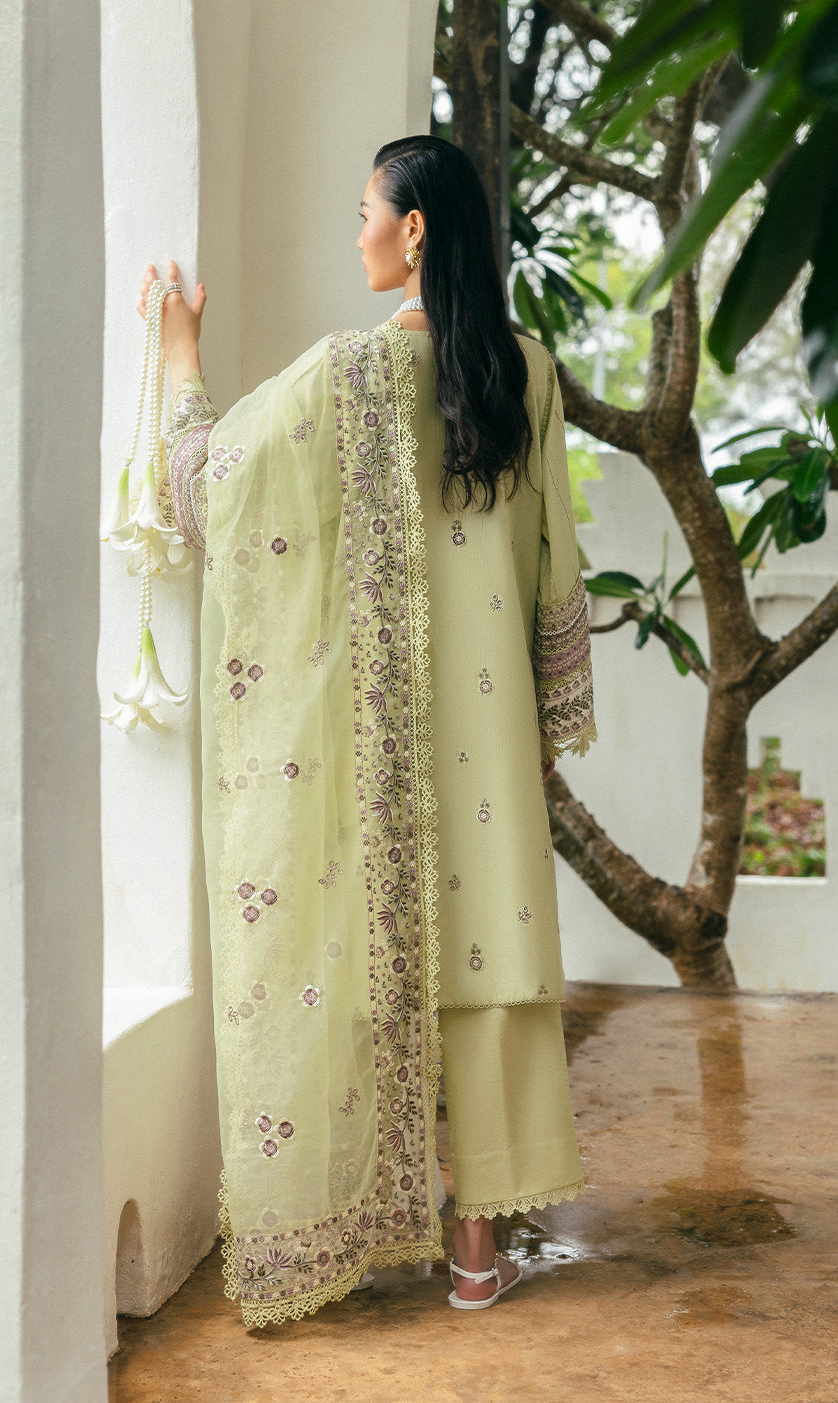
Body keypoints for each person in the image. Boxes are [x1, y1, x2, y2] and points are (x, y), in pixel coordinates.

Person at [143, 134, 596, 1330]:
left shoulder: (346, 377)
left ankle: (352, 1216)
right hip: (491, 732)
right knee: (488, 958)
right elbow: (556, 561)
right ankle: (476, 1256)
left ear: (414, 230)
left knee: (365, 955)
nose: (356, 237)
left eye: (364, 214)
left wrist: (180, 359)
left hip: (372, 743)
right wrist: (547, 725)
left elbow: (209, 490)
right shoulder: (529, 371)